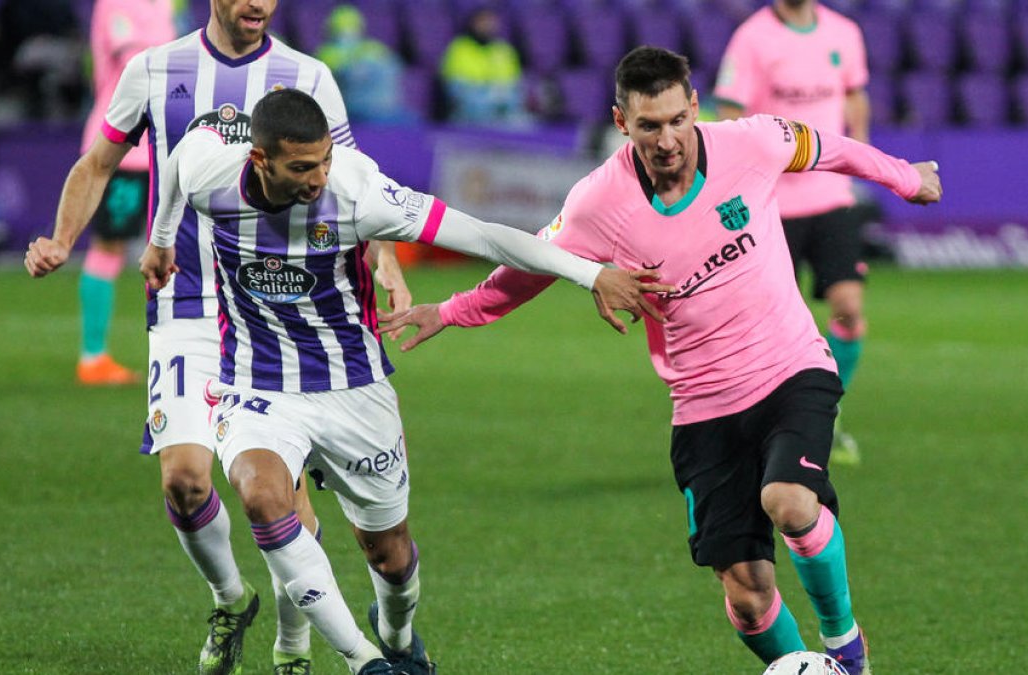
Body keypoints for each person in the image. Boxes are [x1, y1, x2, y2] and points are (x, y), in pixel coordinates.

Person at [380, 47, 942, 675]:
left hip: (790, 367)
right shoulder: (598, 203)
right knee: (749, 598)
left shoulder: (749, 142)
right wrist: (451, 310)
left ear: (694, 106)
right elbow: (530, 266)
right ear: (623, 122)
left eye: (677, 119)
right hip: (702, 403)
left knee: (791, 501)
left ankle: (846, 650)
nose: (668, 139)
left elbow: (821, 145)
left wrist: (902, 175)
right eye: (650, 126)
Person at [138, 88, 671, 675]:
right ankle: (362, 660)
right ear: (259, 161)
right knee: (264, 499)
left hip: (354, 391)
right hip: (258, 385)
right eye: (301, 167)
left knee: (389, 556)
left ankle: (396, 635)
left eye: (323, 161)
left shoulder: (357, 193)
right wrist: (162, 240)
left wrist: (590, 273)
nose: (317, 177)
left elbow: (490, 236)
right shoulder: (212, 170)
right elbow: (179, 162)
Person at [24, 1, 411, 673]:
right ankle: (231, 598)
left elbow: (353, 184)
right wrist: (62, 239)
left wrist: (387, 262)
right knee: (183, 480)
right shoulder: (155, 69)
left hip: (276, 310)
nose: (258, 3)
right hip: (185, 304)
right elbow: (97, 163)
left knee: (278, 491)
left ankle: (294, 646)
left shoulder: (308, 75)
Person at [713, 0, 872, 465]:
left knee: (848, 306)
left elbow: (854, 93)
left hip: (832, 195)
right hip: (771, 202)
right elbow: (729, 113)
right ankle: (748, 425)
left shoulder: (844, 33)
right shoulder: (752, 38)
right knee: (765, 327)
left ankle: (826, 413)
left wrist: (858, 150)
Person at [74, 0, 175, 386]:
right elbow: (137, 60)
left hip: (162, 145)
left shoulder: (164, 4)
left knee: (180, 248)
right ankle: (93, 356)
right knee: (109, 245)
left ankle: (182, 355)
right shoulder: (117, 2)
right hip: (123, 145)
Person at [317, 4, 414, 125]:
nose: (348, 33)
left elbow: (395, 68)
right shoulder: (327, 53)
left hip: (386, 108)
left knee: (412, 120)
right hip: (353, 108)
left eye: (352, 28)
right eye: (345, 29)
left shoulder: (372, 46)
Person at [439, 7, 530, 126]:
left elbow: (516, 89)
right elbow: (456, 91)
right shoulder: (459, 49)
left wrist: (504, 99)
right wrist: (488, 97)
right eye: (482, 21)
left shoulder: (504, 50)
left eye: (491, 21)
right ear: (473, 24)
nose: (487, 26)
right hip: (470, 114)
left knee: (525, 122)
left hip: (504, 113)